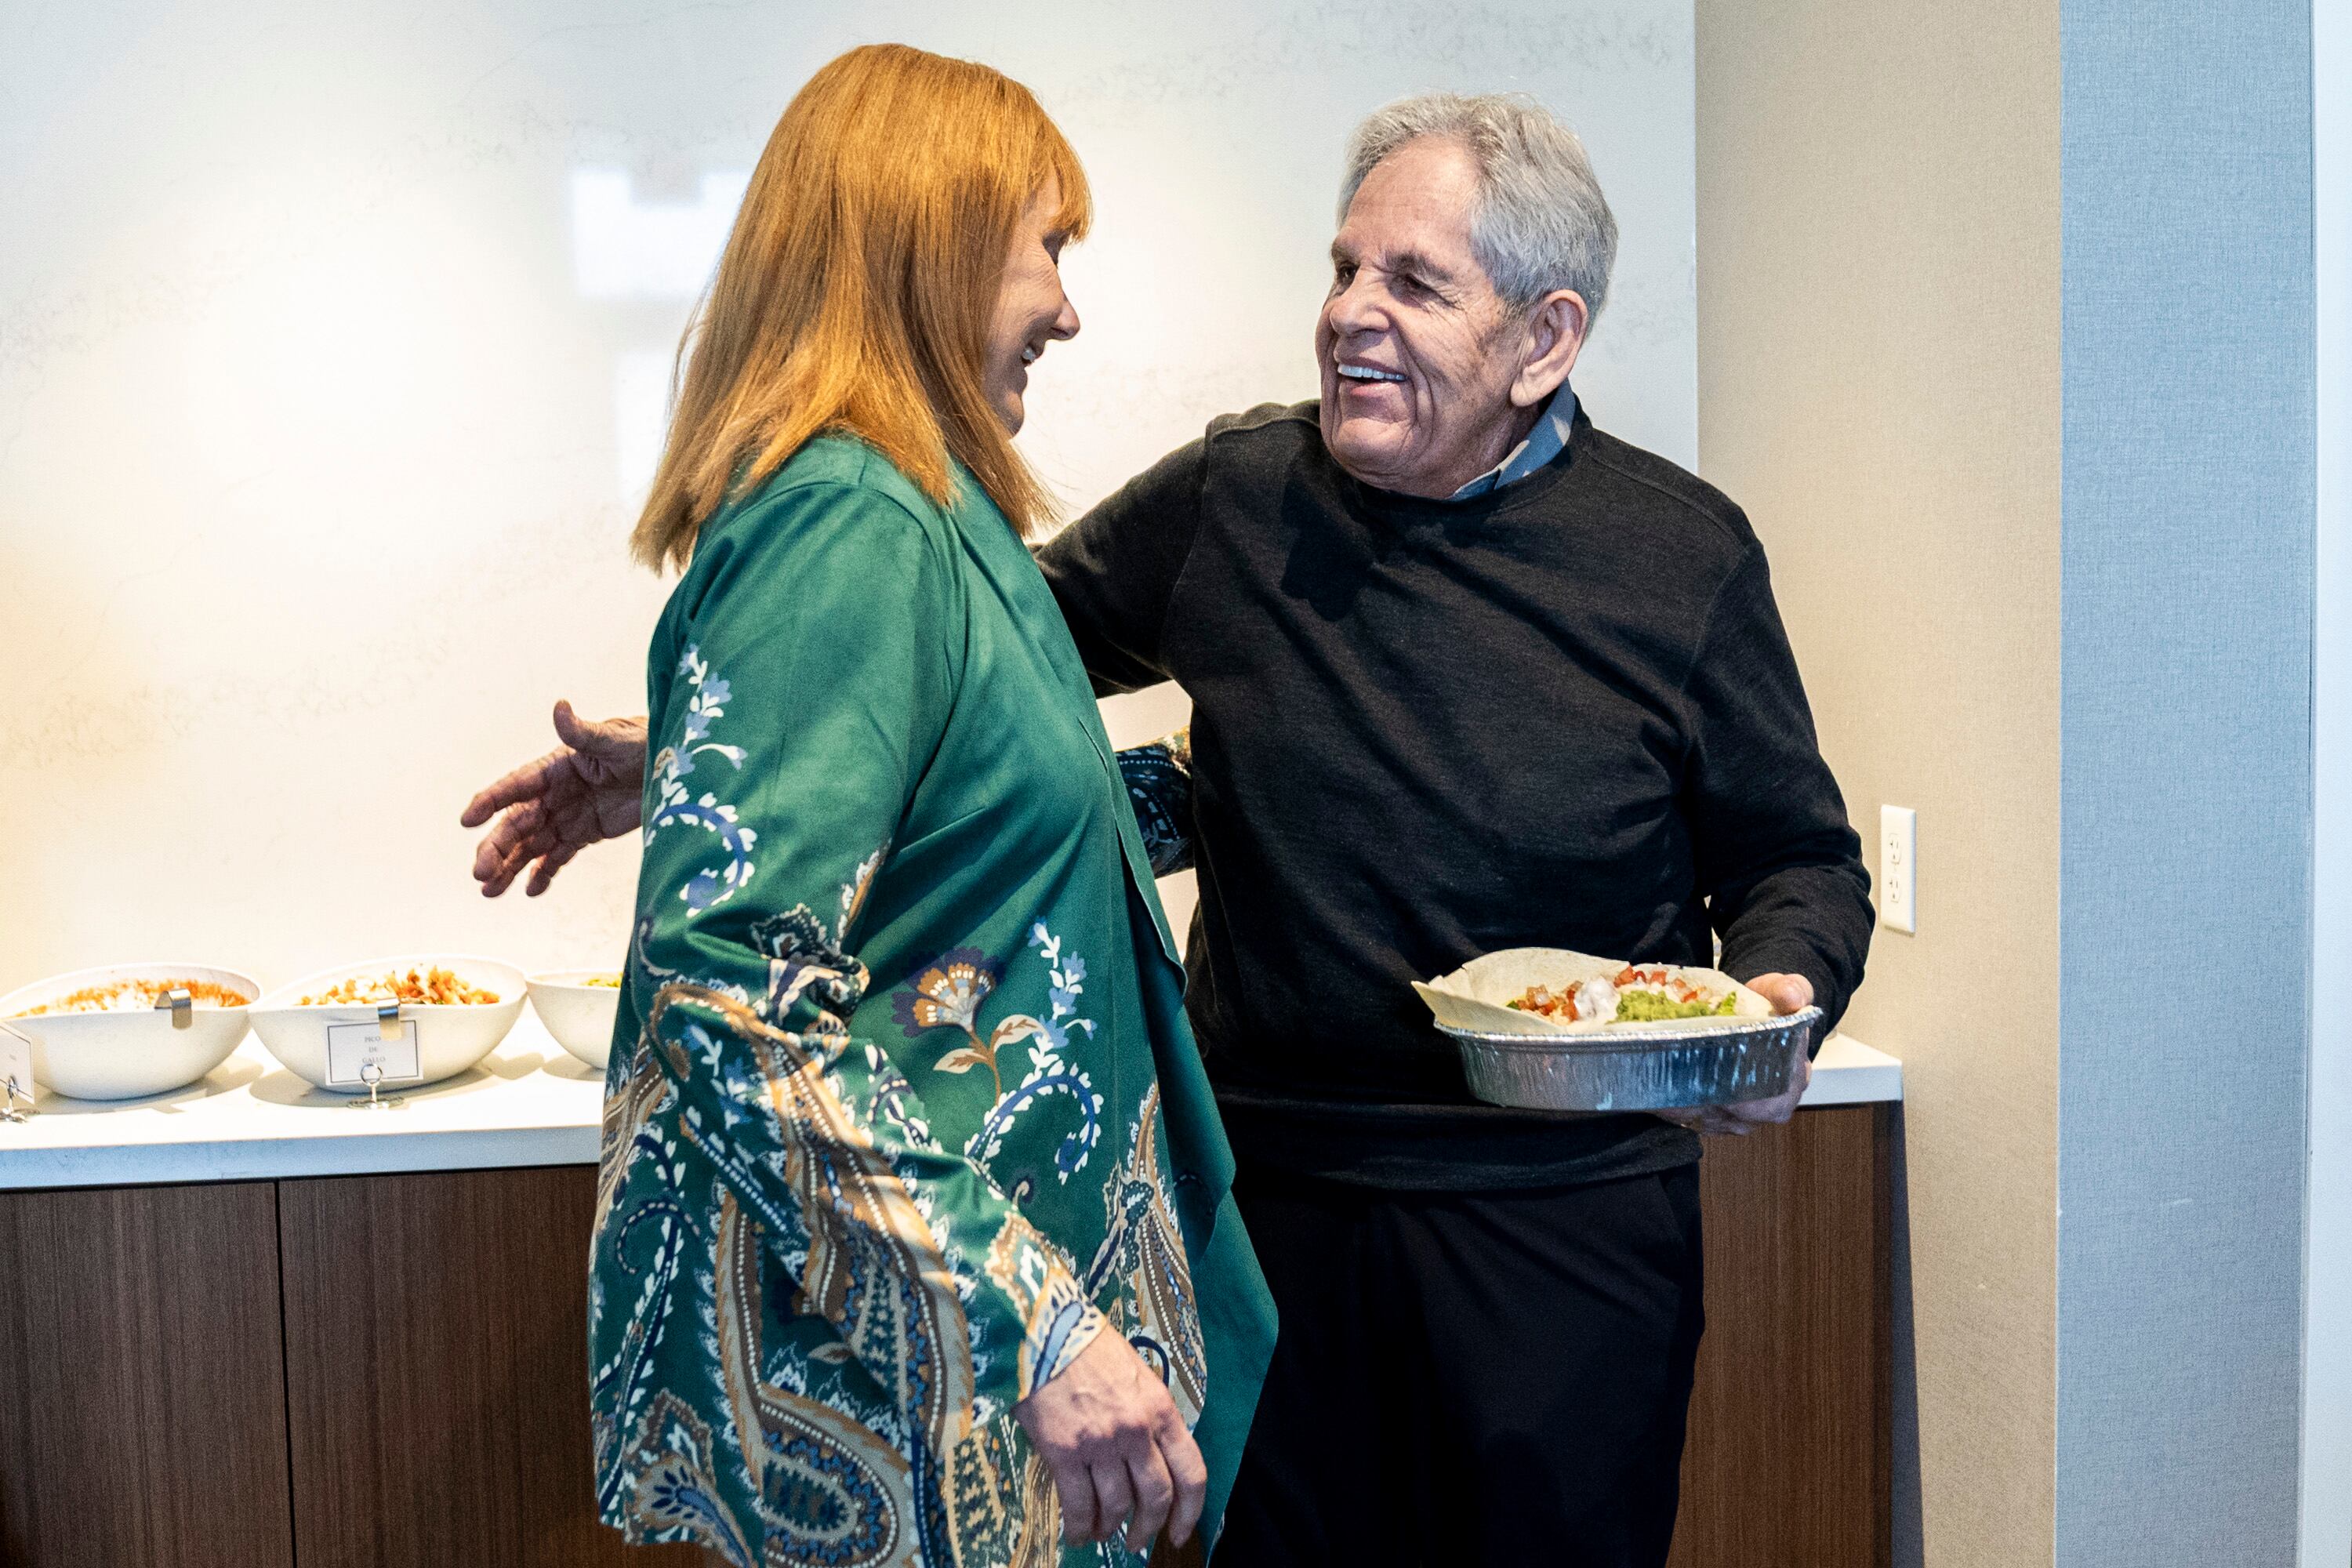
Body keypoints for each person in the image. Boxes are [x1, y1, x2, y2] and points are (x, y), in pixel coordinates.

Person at [471, 90, 1872, 1568]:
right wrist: (726, 753)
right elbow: (988, 692)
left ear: (1545, 339)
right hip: (1267, 1212)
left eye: (1412, 282)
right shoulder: (1236, 496)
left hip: (1565, 1230)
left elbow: (1798, 858)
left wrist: (1782, 993)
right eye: (1343, 269)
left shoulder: (1683, 554)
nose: (1347, 315)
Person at [465, 44, 1273, 1567]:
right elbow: (732, 1006)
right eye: (1050, 244)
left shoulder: (938, 510)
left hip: (987, 1394)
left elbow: (1017, 828)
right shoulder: (847, 517)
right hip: (927, 1393)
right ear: (933, 240)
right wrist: (1037, 1328)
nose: (1068, 301)